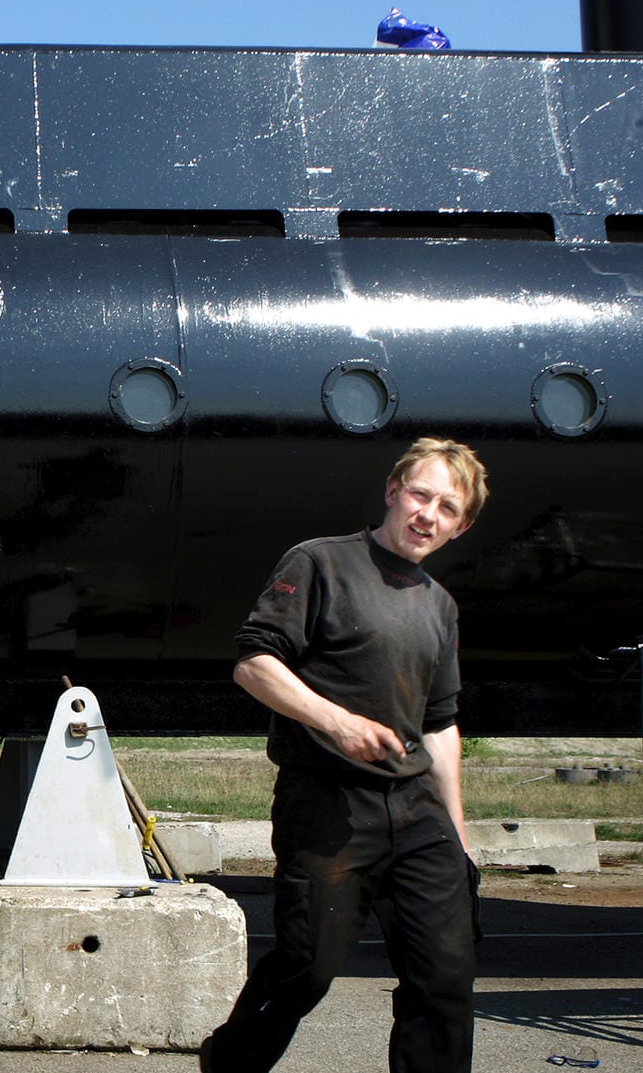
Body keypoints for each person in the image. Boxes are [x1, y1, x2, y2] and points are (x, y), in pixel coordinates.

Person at [201, 438, 490, 1073]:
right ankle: (229, 1061)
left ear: (460, 525)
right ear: (393, 490)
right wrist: (337, 723)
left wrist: (458, 834)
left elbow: (439, 726)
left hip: (417, 813)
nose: (427, 515)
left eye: (447, 507)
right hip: (328, 803)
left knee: (445, 978)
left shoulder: (440, 605)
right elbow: (254, 665)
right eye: (420, 494)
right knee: (306, 968)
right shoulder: (320, 563)